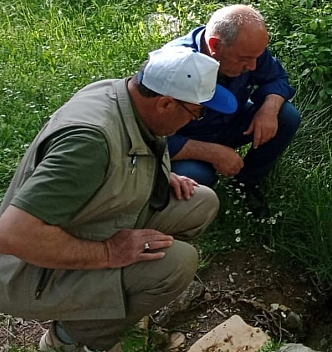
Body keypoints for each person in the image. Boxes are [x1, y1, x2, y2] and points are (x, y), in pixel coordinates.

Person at [0, 46, 236, 351]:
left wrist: (158, 172)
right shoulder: (89, 143)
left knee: (201, 203)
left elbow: (126, 156)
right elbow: (13, 235)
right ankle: (70, 338)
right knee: (177, 263)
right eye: (197, 111)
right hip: (29, 270)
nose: (196, 119)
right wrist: (110, 253)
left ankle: (115, 297)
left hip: (88, 222)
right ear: (165, 103)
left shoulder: (130, 97)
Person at [164, 4, 301, 218]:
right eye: (245, 59)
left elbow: (277, 78)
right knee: (194, 177)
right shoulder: (173, 69)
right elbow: (152, 139)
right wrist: (213, 153)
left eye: (258, 56)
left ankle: (247, 182)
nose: (254, 66)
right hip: (187, 140)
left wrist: (269, 108)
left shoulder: (246, 48)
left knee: (287, 116)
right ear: (214, 45)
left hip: (230, 121)